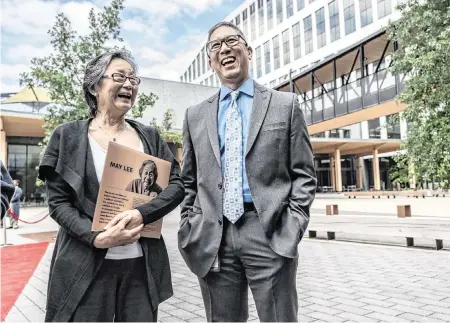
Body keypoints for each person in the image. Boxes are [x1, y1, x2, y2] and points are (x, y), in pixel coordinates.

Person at [178, 22, 317, 322]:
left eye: (232, 41)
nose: (224, 49)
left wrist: (292, 227)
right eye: (215, 46)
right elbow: (188, 180)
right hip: (213, 236)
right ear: (210, 61)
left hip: (269, 232)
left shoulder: (285, 106)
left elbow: (304, 174)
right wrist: (190, 225)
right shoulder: (194, 116)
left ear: (248, 51)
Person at [38, 49, 184, 322]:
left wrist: (142, 213)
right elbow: (58, 204)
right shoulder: (67, 136)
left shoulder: (149, 136)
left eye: (133, 79)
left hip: (141, 265)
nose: (129, 84)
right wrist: (96, 237)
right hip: (85, 262)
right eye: (119, 76)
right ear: (95, 86)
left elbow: (177, 184)